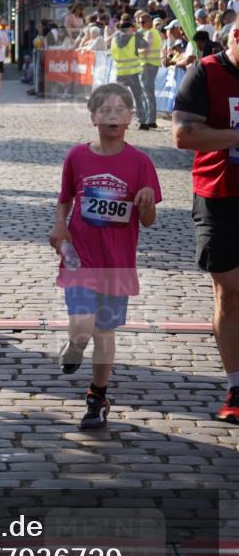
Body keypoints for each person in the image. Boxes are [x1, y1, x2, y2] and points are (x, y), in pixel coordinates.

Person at [49, 83, 162, 430]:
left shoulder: (141, 162)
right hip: (80, 257)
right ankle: (73, 344)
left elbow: (148, 219)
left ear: (130, 117)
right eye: (105, 110)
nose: (112, 115)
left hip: (117, 262)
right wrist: (60, 226)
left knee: (106, 332)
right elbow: (66, 198)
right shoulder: (77, 156)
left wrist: (144, 201)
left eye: (119, 110)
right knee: (83, 327)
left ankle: (97, 396)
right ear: (93, 116)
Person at [172, 14, 239, 423]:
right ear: (236, 35)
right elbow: (183, 135)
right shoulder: (206, 73)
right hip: (219, 194)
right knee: (229, 292)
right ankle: (236, 386)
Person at [110, 15, 148, 129]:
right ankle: (143, 121)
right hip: (133, 73)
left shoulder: (113, 40)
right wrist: (139, 34)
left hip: (120, 74)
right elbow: (145, 45)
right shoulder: (134, 38)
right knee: (138, 97)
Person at [136, 11, 162, 129]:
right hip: (150, 64)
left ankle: (149, 120)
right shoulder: (151, 32)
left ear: (150, 22)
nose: (140, 24)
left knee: (147, 94)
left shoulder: (150, 33)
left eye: (143, 22)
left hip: (148, 65)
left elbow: (146, 50)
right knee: (147, 93)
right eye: (139, 22)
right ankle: (150, 119)